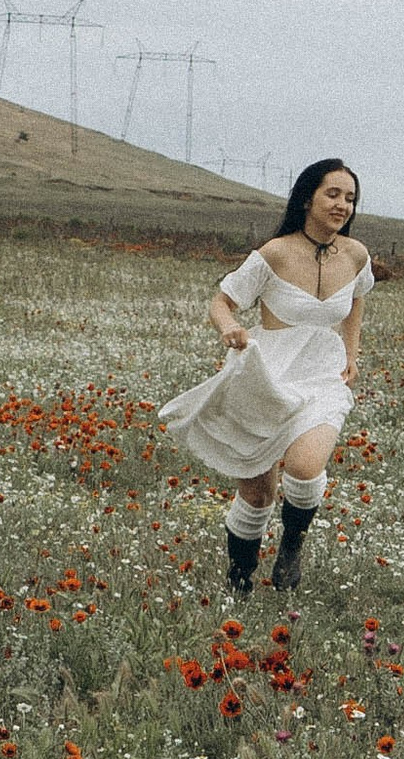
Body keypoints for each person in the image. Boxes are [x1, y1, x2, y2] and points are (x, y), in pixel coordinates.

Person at [159, 157, 372, 594]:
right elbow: (221, 302)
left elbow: (356, 303)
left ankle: (291, 547)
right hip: (264, 374)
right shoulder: (274, 253)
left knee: (305, 467)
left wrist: (351, 354)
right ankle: (240, 582)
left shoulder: (355, 255)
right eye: (332, 194)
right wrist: (230, 329)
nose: (342, 205)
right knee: (257, 495)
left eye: (349, 198)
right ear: (307, 197)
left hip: (321, 377)